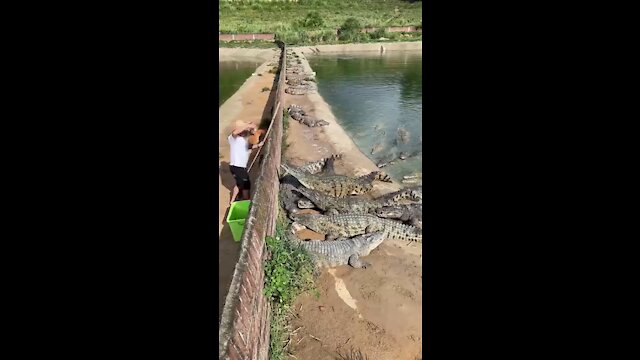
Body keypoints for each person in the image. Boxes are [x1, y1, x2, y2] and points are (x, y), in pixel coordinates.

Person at [228, 120, 264, 204]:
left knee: (239, 184)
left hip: (238, 167)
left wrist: (258, 145)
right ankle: (246, 202)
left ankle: (232, 201)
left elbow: (247, 148)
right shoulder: (233, 138)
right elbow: (235, 132)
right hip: (238, 167)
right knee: (246, 185)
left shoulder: (243, 140)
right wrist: (248, 125)